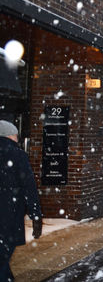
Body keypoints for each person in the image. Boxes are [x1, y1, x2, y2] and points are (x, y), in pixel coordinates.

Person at [0, 120, 42, 281]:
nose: (17, 139)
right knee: (2, 260)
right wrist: (36, 215)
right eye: (16, 135)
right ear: (10, 135)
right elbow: (29, 187)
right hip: (8, 217)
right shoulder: (17, 155)